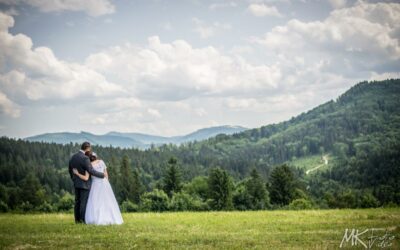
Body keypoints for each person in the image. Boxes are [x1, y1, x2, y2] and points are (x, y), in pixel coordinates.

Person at [72, 151, 123, 225]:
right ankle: (112, 218)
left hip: (95, 185)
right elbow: (106, 175)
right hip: (105, 184)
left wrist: (77, 174)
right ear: (96, 157)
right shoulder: (101, 162)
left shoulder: (89, 166)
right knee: (108, 201)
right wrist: (106, 183)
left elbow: (86, 178)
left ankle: (97, 219)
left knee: (96, 202)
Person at [68, 142, 106, 223]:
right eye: (90, 149)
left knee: (77, 202)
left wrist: (74, 179)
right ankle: (82, 220)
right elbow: (91, 171)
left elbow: (70, 169)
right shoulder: (85, 158)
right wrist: (102, 175)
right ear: (87, 148)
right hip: (85, 184)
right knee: (83, 203)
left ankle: (77, 220)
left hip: (76, 183)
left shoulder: (73, 157)